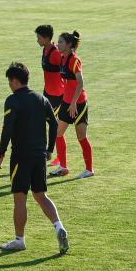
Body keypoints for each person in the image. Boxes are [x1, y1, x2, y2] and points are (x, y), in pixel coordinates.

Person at [0, 62, 69, 254]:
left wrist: (1, 154)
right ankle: (59, 226)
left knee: (20, 199)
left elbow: (7, 128)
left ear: (15, 81)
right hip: (39, 155)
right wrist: (49, 149)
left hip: (21, 156)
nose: (9, 85)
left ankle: (20, 240)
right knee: (41, 195)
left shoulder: (12, 100)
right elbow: (53, 124)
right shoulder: (41, 98)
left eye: (9, 81)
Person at [51, 31, 93, 178]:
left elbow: (80, 83)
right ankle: (63, 167)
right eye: (58, 42)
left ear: (69, 45)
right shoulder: (63, 58)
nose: (58, 44)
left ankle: (89, 169)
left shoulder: (75, 60)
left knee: (81, 137)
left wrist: (74, 102)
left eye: (61, 42)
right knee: (58, 133)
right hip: (66, 102)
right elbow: (53, 46)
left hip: (78, 103)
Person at [35, 24, 66, 165]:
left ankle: (49, 151)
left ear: (47, 38)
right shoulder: (45, 50)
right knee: (45, 121)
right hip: (47, 92)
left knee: (52, 123)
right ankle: (51, 152)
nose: (37, 40)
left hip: (57, 94)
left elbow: (66, 67)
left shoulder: (55, 53)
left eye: (39, 38)